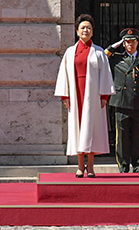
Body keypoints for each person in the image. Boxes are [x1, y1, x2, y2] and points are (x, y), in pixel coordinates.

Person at [55, 14, 115, 178]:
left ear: (92, 31)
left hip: (93, 96)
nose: (85, 30)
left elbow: (105, 75)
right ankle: (80, 165)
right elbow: (64, 74)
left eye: (89, 28)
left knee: (91, 128)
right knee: (78, 129)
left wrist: (104, 96)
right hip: (76, 94)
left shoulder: (99, 52)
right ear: (77, 31)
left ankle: (90, 166)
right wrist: (65, 96)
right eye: (82, 27)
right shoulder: (69, 52)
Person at [105, 28, 139, 173]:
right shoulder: (116, 58)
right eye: (127, 42)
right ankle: (123, 164)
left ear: (137, 43)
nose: (130, 44)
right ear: (123, 44)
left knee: (138, 136)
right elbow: (101, 56)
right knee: (122, 137)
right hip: (121, 102)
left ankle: (137, 164)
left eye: (132, 42)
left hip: (138, 102)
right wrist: (113, 46)